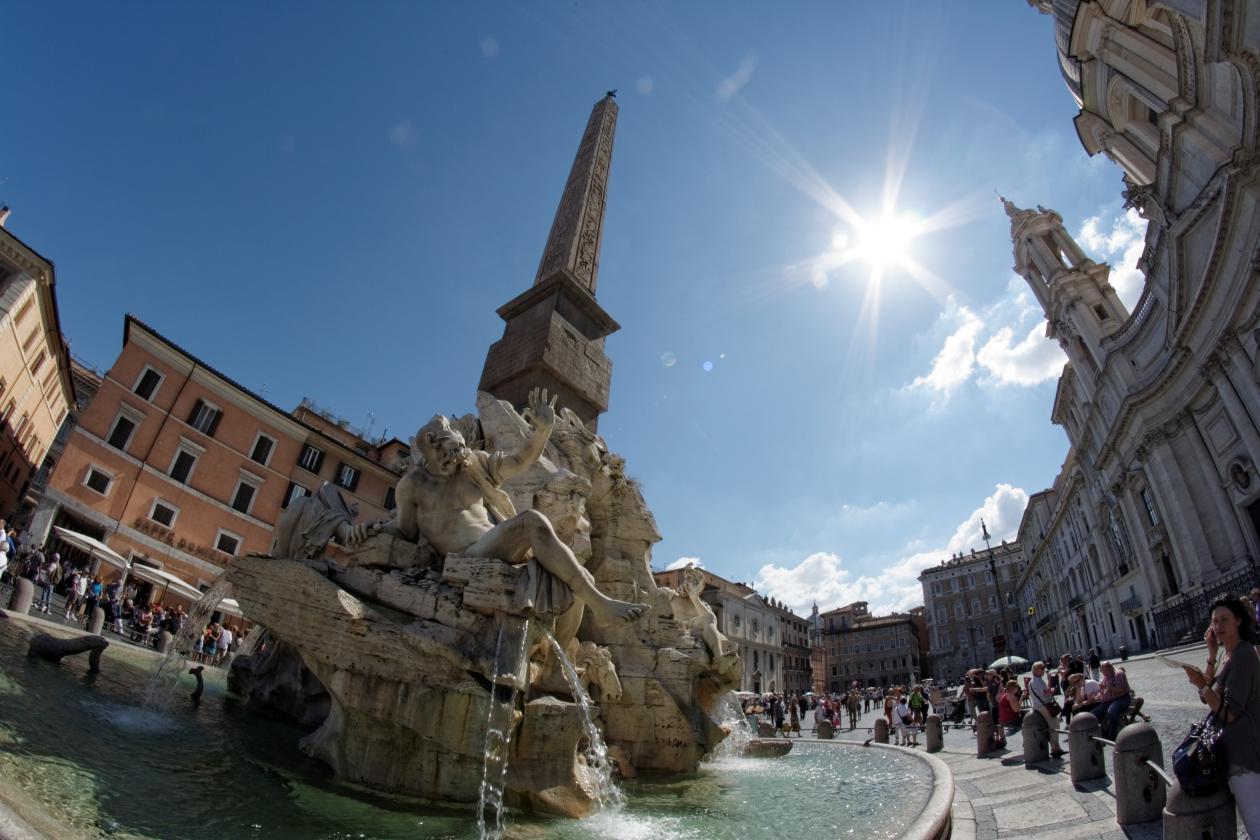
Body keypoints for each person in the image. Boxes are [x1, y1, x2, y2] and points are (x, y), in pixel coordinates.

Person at [1183, 595, 1260, 838]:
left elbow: (1228, 712)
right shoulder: (1227, 654)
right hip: (1232, 747)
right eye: (1214, 621)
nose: (1218, 626)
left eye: (1224, 619)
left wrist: (1202, 686)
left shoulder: (1244, 654)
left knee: (1255, 822)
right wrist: (1211, 654)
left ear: (1238, 620)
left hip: (1244, 750)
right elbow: (1206, 698)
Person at [1027, 661, 1066, 757]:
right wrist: (1052, 689)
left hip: (1039, 705)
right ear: (1036, 670)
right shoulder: (1038, 681)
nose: (1043, 671)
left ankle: (1056, 746)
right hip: (1044, 706)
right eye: (1041, 669)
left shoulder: (1032, 681)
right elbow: (1046, 692)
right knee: (1053, 726)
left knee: (1054, 724)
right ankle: (1055, 748)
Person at [1090, 662, 1133, 740]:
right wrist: (1098, 694)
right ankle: (1102, 733)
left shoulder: (1118, 674)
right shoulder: (1106, 676)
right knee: (1092, 715)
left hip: (1122, 698)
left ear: (1108, 668)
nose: (1100, 671)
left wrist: (1109, 687)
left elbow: (1122, 689)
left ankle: (1112, 735)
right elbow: (1104, 689)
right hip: (1107, 701)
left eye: (1102, 670)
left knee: (1112, 711)